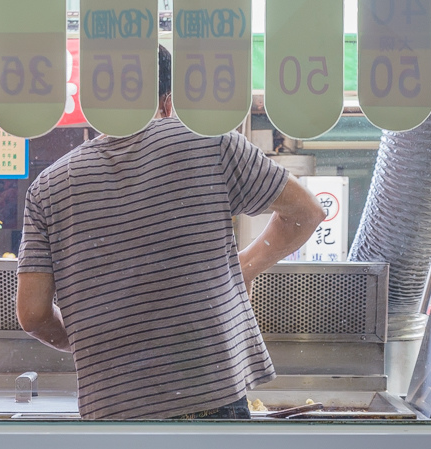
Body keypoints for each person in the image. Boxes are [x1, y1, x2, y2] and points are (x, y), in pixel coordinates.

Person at [16, 45, 325, 420]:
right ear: (167, 102)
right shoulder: (210, 141)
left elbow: (32, 314)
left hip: (111, 409)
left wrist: (92, 340)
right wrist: (245, 267)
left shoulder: (48, 187)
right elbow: (305, 212)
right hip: (210, 396)